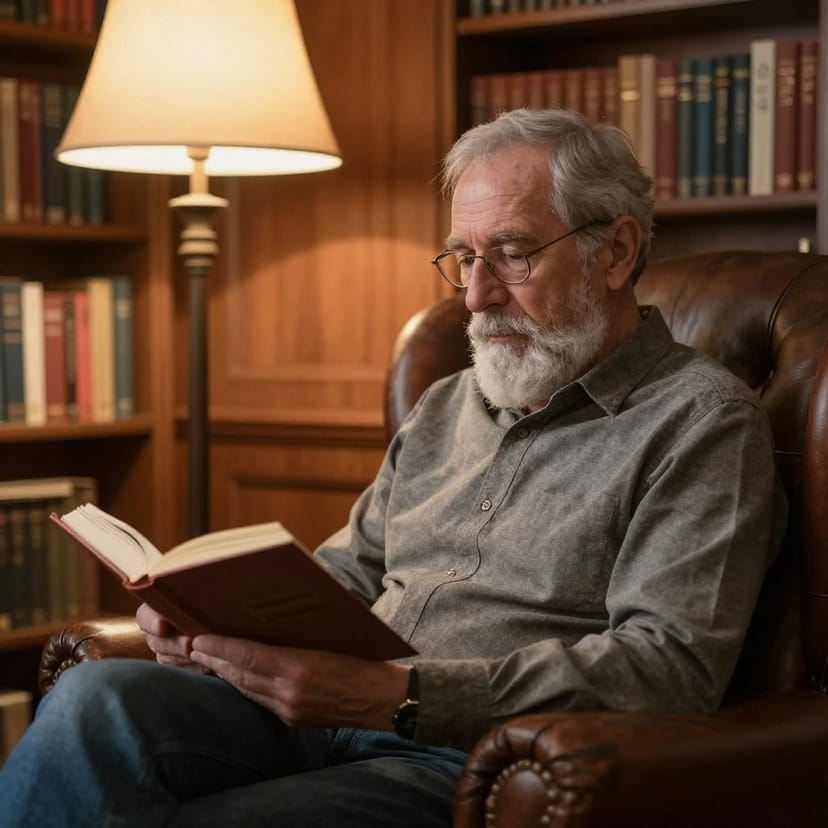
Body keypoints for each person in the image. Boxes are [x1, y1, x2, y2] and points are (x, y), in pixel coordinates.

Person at [0, 108, 786, 827]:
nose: (476, 297)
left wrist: (406, 698)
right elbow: (349, 571)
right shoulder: (448, 403)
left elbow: (669, 668)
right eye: (463, 257)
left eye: (511, 255)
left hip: (470, 758)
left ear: (615, 252)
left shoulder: (701, 423)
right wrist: (210, 624)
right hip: (320, 717)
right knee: (95, 698)